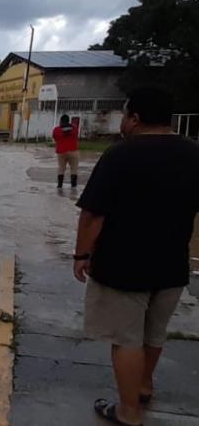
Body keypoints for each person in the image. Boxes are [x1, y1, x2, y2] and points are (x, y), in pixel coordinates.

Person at [73, 87, 199, 425]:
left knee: (127, 340)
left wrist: (81, 255)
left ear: (135, 118)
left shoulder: (120, 154)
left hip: (122, 266)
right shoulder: (194, 153)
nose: (123, 122)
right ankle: (143, 386)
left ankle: (129, 412)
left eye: (125, 115)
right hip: (173, 265)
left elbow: (92, 214)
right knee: (154, 334)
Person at [53, 114, 80, 188]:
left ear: (61, 121)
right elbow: (76, 136)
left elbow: (55, 138)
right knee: (74, 169)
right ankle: (73, 186)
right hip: (73, 151)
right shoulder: (74, 128)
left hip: (61, 151)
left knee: (61, 168)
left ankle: (60, 185)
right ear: (69, 121)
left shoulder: (57, 129)